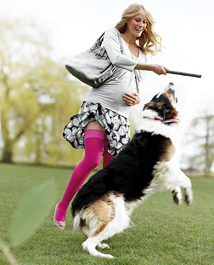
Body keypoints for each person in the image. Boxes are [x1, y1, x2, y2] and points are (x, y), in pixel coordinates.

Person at [54, 3, 169, 229]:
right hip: (98, 107)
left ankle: (98, 225)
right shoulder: (112, 35)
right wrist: (151, 66)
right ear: (127, 19)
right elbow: (117, 59)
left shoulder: (142, 52)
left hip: (121, 117)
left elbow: (135, 85)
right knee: (91, 160)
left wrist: (136, 99)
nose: (141, 24)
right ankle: (63, 205)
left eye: (144, 22)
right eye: (138, 19)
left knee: (111, 175)